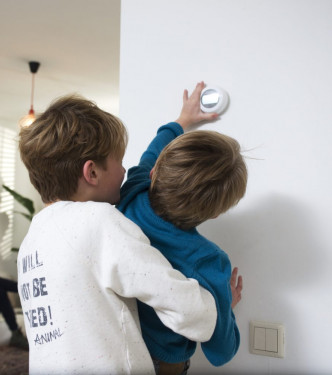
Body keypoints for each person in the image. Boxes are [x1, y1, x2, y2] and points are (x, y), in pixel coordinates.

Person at [16, 94, 218, 374]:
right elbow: (182, 303)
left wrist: (181, 121)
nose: (125, 170)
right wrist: (216, 301)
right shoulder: (98, 220)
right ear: (92, 173)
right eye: (119, 162)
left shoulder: (33, 237)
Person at [117, 82, 246, 375]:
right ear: (215, 213)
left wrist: (182, 121)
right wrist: (225, 307)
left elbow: (154, 150)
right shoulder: (208, 260)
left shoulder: (133, 191)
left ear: (153, 173)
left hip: (118, 348)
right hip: (164, 364)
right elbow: (221, 351)